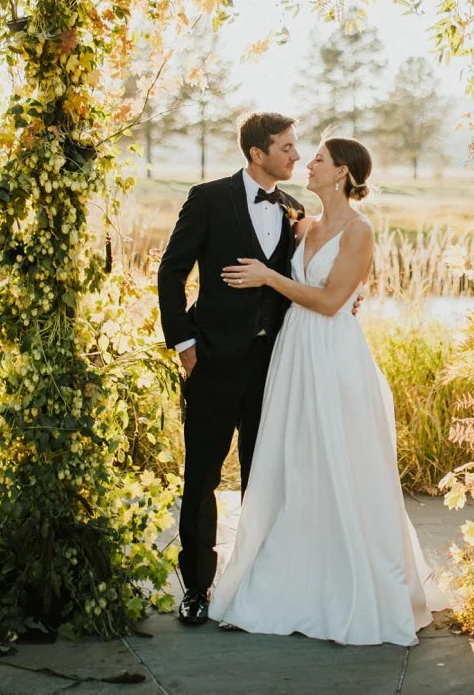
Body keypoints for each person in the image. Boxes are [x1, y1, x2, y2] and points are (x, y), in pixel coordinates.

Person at [210, 137, 444, 646]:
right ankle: (288, 577)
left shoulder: (360, 229)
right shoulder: (305, 223)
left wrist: (269, 278)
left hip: (333, 354)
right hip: (294, 351)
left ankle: (348, 585)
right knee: (296, 460)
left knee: (341, 458)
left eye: (317, 158)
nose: (306, 164)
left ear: (341, 172)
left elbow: (334, 300)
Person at [157, 112, 306, 627]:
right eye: (286, 147)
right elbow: (171, 270)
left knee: (262, 475)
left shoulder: (294, 209)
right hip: (212, 360)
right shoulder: (208, 198)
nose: (296, 156)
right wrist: (183, 340)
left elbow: (299, 281)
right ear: (256, 154)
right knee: (201, 475)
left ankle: (255, 583)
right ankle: (197, 587)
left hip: (272, 365)